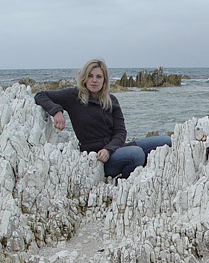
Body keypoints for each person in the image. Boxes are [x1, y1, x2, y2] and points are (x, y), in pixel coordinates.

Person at [34, 58, 171, 179]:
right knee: (136, 154)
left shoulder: (111, 100)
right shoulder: (74, 96)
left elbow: (121, 132)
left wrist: (109, 149)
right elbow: (40, 95)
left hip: (114, 149)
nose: (94, 80)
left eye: (99, 77)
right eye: (90, 76)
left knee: (166, 141)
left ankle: (146, 175)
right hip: (97, 157)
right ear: (84, 78)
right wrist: (57, 111)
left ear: (104, 80)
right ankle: (123, 183)